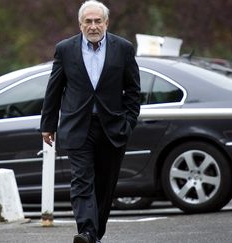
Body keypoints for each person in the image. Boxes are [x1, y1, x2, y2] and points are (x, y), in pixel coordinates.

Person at [40, 0, 140, 242]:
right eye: (88, 21)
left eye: (98, 21)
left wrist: (127, 122)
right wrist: (48, 125)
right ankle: (86, 231)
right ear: (80, 24)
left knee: (105, 185)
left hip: (112, 127)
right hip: (77, 127)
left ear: (106, 23)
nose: (93, 26)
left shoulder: (123, 48)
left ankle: (94, 234)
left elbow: (133, 91)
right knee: (82, 181)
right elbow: (54, 89)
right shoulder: (65, 49)